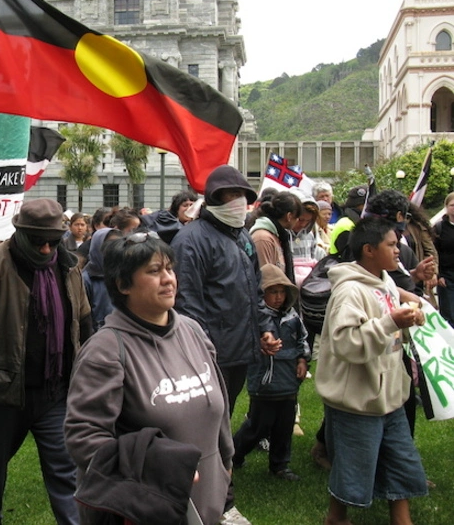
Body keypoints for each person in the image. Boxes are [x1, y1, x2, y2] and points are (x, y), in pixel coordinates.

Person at [65, 232, 233, 525]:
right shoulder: (105, 351)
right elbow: (83, 438)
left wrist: (224, 466)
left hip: (206, 503)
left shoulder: (193, 331)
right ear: (123, 284)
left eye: (169, 268)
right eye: (154, 271)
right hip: (141, 510)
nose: (168, 278)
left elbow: (219, 411)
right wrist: (154, 466)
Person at [0, 198, 92, 525]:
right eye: (37, 241)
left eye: (52, 242)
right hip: (0, 395)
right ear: (19, 233)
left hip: (55, 393)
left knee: (66, 470)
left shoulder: (68, 266)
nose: (45, 250)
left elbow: (83, 323)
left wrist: (88, 377)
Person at [171, 165, 276, 525]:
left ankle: (215, 492)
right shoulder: (191, 240)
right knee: (208, 430)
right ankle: (219, 503)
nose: (238, 204)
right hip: (208, 357)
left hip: (239, 352)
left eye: (243, 197)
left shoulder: (241, 236)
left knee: (222, 426)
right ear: (214, 200)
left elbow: (254, 289)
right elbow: (187, 304)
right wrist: (202, 354)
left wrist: (262, 328)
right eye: (230, 197)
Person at [316, 217, 428, 525]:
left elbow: (389, 331)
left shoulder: (387, 282)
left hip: (390, 396)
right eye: (391, 245)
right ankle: (336, 518)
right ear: (368, 250)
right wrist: (393, 322)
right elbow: (346, 343)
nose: (397, 251)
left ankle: (402, 519)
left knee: (401, 460)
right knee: (353, 466)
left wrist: (408, 324)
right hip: (357, 401)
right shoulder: (349, 292)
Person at [232, 264, 310, 482]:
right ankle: (235, 453)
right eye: (272, 292)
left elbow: (303, 339)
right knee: (258, 425)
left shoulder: (292, 317)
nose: (278, 297)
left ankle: (280, 465)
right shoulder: (256, 319)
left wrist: (303, 360)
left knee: (284, 427)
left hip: (288, 382)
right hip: (264, 383)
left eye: (281, 292)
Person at [249, 190, 302, 283]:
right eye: (297, 217)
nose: (297, 221)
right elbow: (265, 280)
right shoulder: (263, 238)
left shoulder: (278, 236)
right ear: (289, 216)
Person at [81, 227, 122, 332]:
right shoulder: (86, 279)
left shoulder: (123, 275)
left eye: (118, 245)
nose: (114, 250)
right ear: (97, 247)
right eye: (109, 245)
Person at [434, 192, 454, 327]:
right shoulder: (439, 228)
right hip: (446, 277)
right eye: (452, 205)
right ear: (446, 207)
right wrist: (438, 274)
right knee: (449, 314)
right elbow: (433, 253)